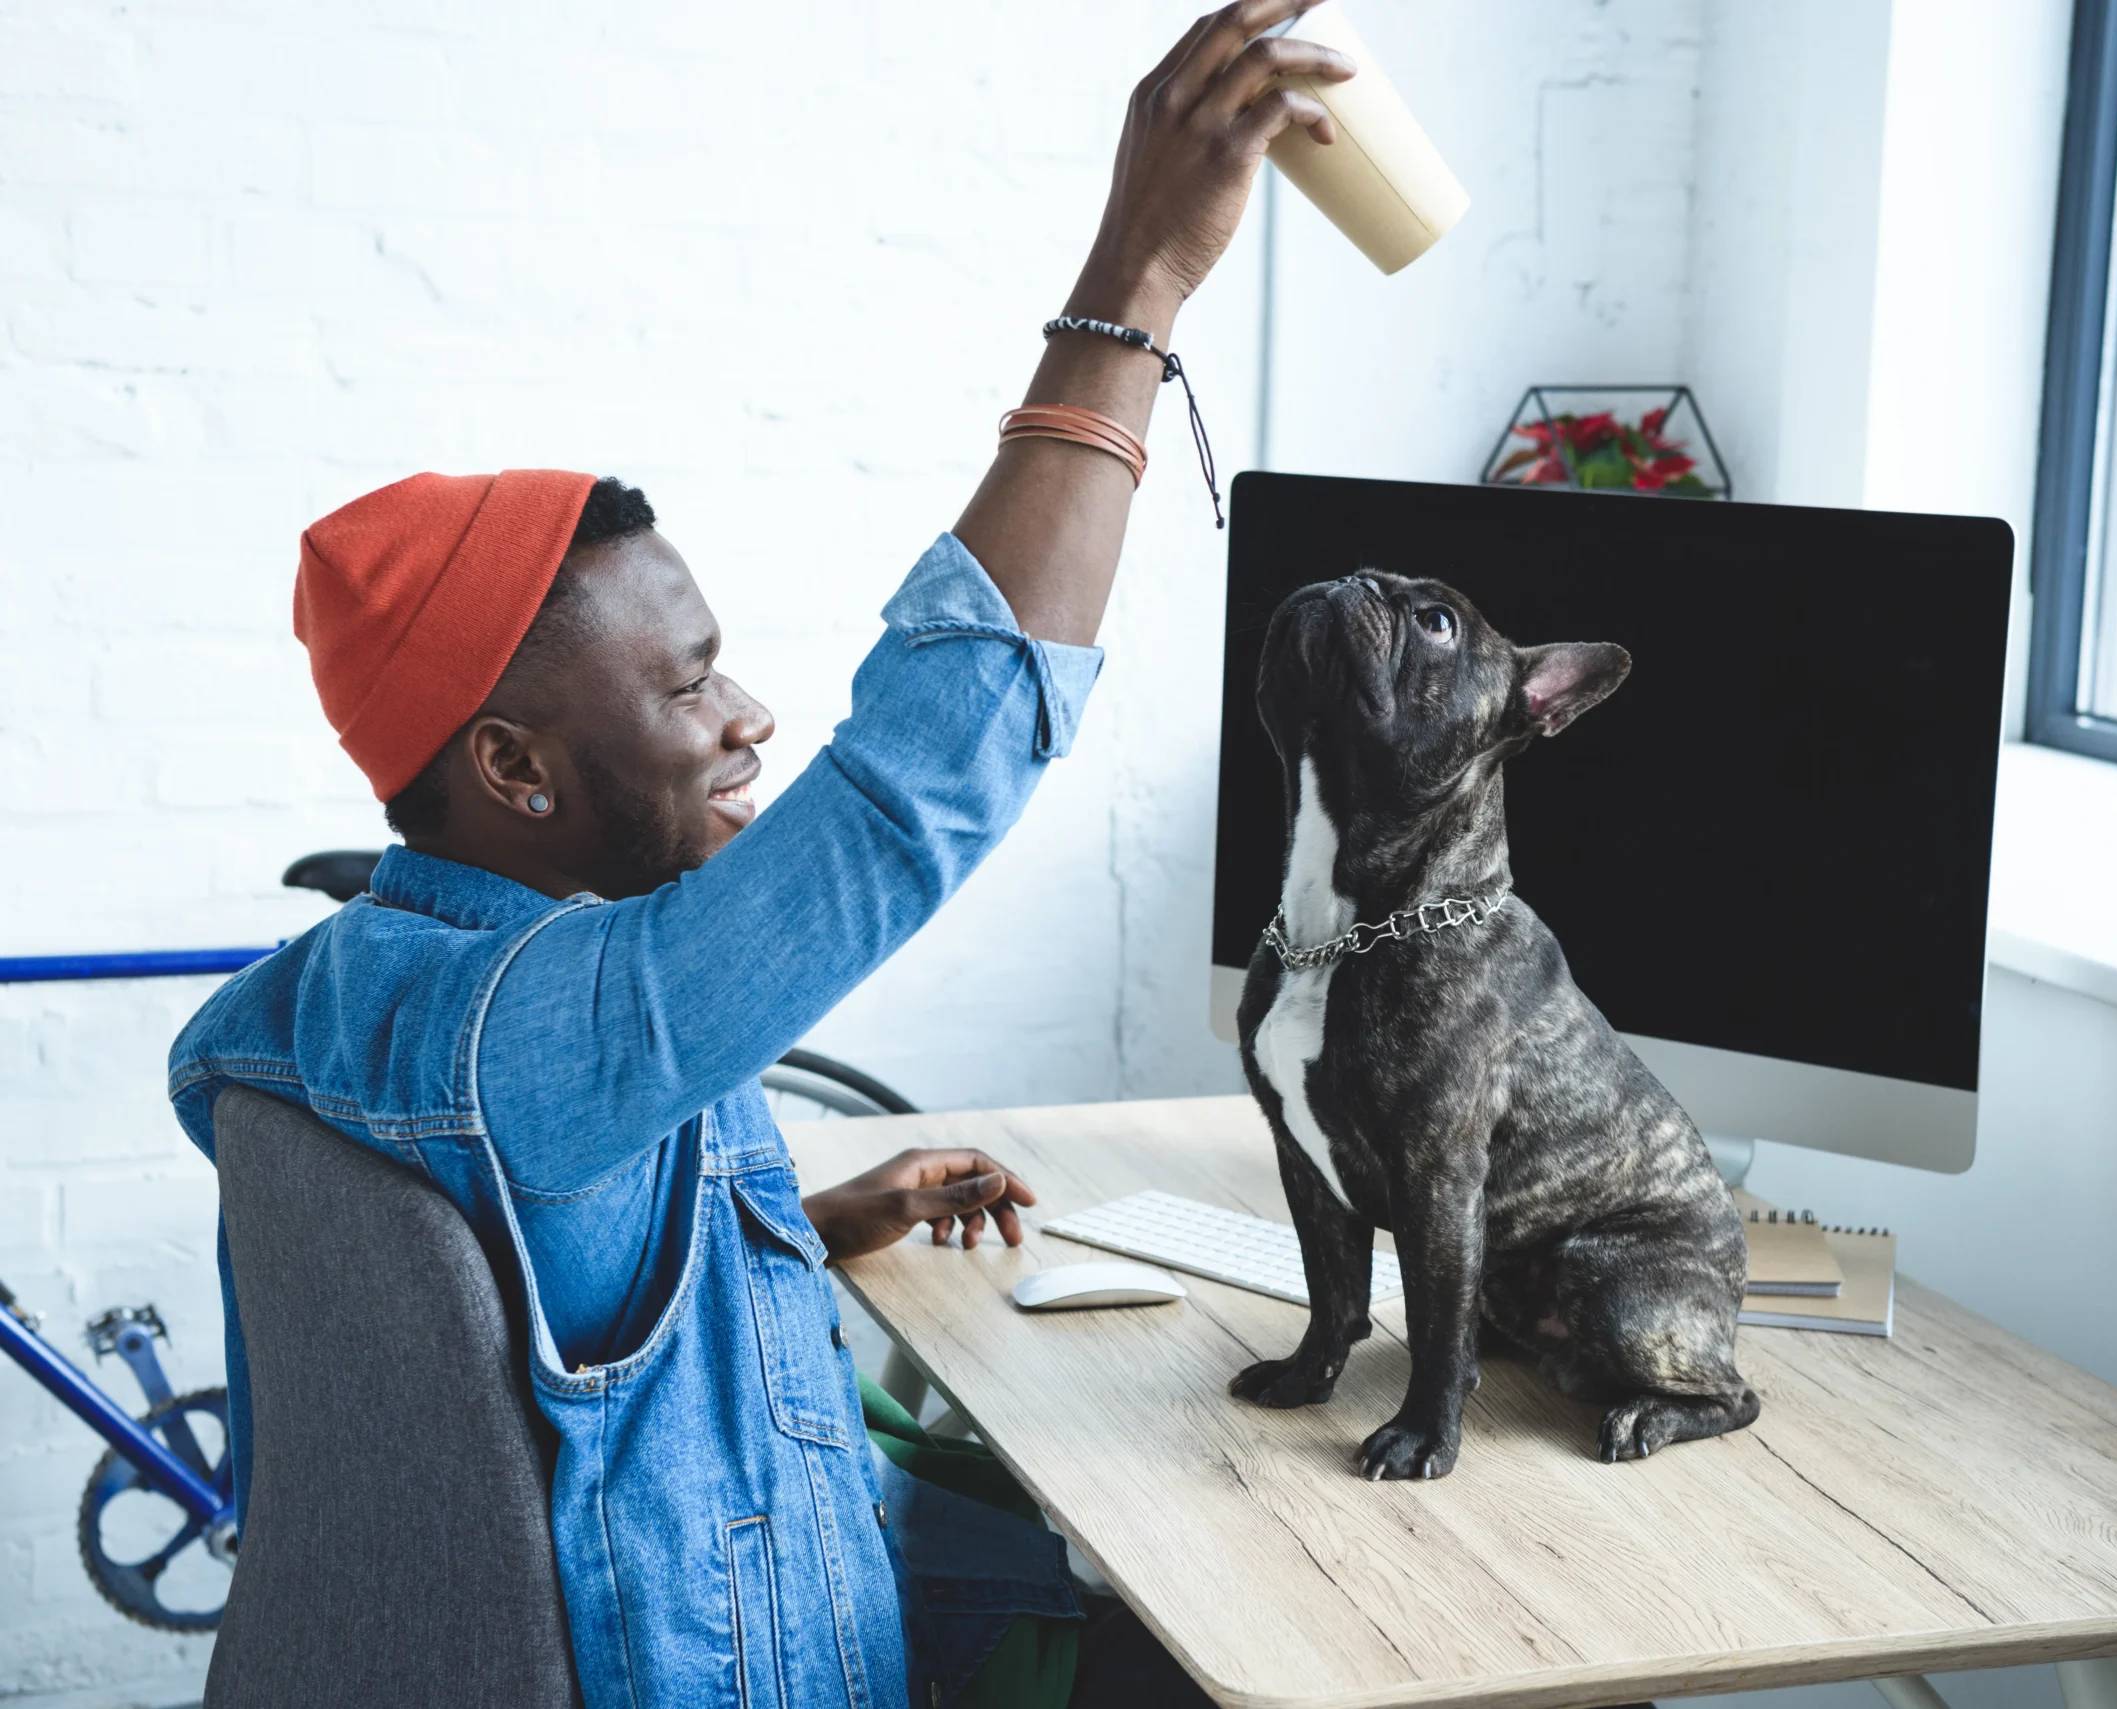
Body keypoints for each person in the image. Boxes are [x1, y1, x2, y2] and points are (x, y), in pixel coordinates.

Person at [167, 7, 1356, 1707]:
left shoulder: (356, 991)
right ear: (509, 768)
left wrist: (790, 1209)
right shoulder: (549, 1035)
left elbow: (514, 1273)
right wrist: (1136, 286)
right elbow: (914, 783)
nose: (750, 717)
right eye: (686, 685)